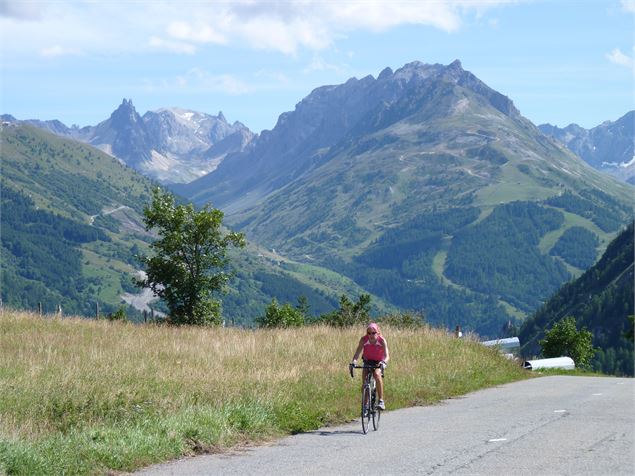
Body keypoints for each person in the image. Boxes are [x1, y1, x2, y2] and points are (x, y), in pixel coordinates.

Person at [350, 322, 390, 410]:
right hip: (367, 361)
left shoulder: (382, 340)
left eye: (373, 333)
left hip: (379, 362)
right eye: (369, 333)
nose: (371, 335)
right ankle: (365, 403)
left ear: (378, 333)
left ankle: (381, 401)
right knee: (364, 382)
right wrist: (354, 362)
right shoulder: (363, 340)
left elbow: (387, 355)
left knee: (376, 375)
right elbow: (357, 353)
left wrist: (383, 362)